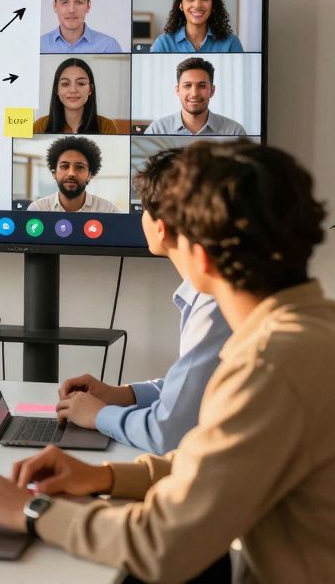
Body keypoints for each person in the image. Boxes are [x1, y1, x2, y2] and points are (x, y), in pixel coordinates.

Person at [0, 141, 335, 583]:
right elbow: (216, 464)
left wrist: (30, 511)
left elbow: (161, 544)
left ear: (198, 254)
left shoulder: (271, 363)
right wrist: (107, 475)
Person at [54, 149, 230, 454]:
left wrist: (99, 415)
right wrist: (121, 395)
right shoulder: (204, 295)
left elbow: (168, 431)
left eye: (144, 210)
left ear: (160, 227)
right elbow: (192, 389)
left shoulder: (214, 304)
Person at [145, 57, 247, 136]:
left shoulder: (235, 132)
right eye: (187, 85)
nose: (194, 93)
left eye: (202, 86)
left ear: (212, 91)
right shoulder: (156, 130)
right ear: (178, 91)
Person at [149, 0, 244, 53]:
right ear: (181, 5)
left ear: (213, 4)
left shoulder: (231, 43)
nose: (198, 5)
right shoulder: (163, 43)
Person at [26, 136, 120, 213]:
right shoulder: (38, 209)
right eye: (64, 166)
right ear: (54, 173)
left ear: (90, 174)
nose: (71, 173)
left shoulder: (109, 211)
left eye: (79, 167)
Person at [32, 58, 118, 134]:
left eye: (81, 83)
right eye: (65, 84)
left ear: (90, 89)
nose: (73, 90)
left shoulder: (107, 126)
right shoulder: (40, 125)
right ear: (56, 89)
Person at [40, 0, 123, 54]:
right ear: (55, 6)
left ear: (88, 6)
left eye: (79, 2)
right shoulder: (38, 45)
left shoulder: (108, 46)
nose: (72, 10)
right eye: (65, 2)